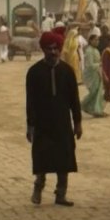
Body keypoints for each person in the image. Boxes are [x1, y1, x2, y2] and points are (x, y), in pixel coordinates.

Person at [26, 30, 83, 206]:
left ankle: (61, 194)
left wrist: (78, 122)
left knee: (64, 158)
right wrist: (30, 126)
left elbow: (74, 99)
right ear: (43, 49)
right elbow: (30, 101)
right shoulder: (34, 72)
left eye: (56, 48)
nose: (53, 52)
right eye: (49, 48)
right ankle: (38, 187)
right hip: (42, 123)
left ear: (60, 49)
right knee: (42, 157)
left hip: (62, 122)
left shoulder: (67, 72)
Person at [80, 35, 106, 118]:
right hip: (90, 74)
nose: (97, 42)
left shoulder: (96, 50)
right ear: (90, 41)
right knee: (93, 92)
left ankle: (97, 110)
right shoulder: (89, 51)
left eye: (98, 40)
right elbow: (90, 65)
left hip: (97, 73)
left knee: (98, 93)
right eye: (95, 40)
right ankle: (82, 105)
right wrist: (100, 64)